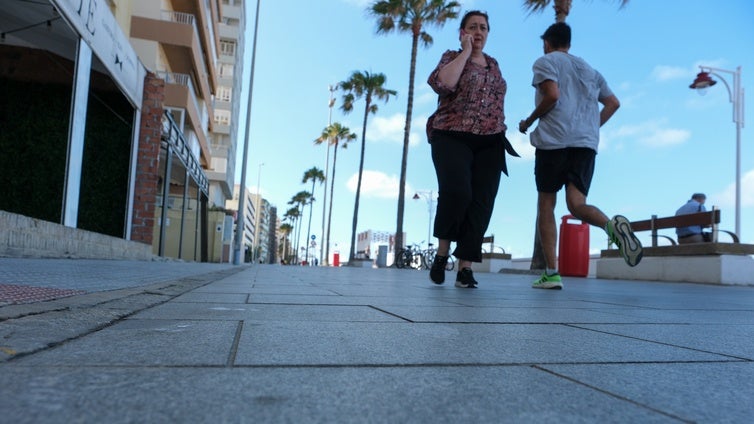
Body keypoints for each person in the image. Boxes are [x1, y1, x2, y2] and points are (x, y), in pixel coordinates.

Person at [518, 22, 643, 290]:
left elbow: (551, 94)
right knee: (576, 203)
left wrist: (528, 121)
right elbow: (613, 103)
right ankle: (611, 227)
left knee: (546, 205)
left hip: (554, 143)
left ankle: (551, 273)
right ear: (569, 44)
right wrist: (590, 128)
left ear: (547, 43)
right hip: (585, 145)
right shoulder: (591, 71)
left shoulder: (545, 61)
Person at [425, 10, 519, 288]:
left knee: (481, 202)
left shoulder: (494, 64)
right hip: (452, 134)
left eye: (483, 28)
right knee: (457, 192)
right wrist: (465, 52)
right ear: (462, 32)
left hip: (490, 140)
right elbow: (444, 84)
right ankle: (443, 253)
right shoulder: (451, 57)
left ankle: (465, 268)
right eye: (472, 27)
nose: (479, 32)